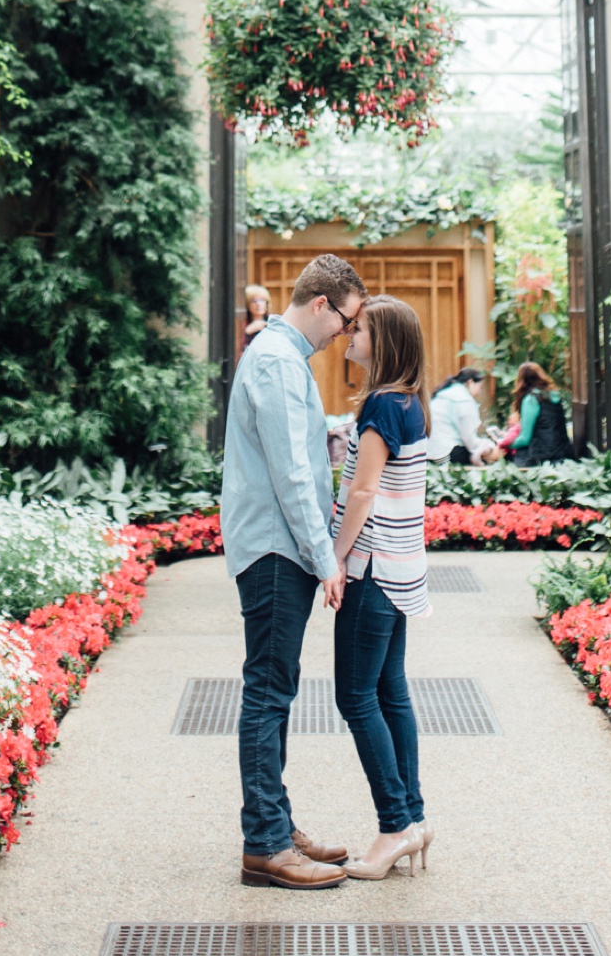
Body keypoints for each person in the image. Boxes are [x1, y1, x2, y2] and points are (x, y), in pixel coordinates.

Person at [221, 251, 368, 891]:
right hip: (278, 552)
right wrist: (323, 556)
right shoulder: (278, 362)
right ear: (320, 305)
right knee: (269, 692)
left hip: (277, 549)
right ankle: (266, 844)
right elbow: (292, 474)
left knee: (275, 688)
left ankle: (275, 824)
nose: (345, 333)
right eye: (345, 320)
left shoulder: (281, 359)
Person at [331, 295, 432, 880]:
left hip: (371, 570)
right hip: (401, 568)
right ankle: (413, 819)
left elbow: (363, 494)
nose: (350, 332)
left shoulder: (379, 407)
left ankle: (394, 825)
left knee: (356, 696)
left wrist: (335, 558)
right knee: (390, 690)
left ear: (384, 340)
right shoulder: (409, 404)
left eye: (360, 327)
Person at [509, 359, 573, 465]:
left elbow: (525, 438)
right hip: (563, 453)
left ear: (521, 381)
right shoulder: (554, 395)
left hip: (542, 457)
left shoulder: (531, 399)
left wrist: (507, 444)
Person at [428, 367, 496, 465]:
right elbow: (468, 438)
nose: (479, 392)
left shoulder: (444, 394)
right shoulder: (464, 399)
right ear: (471, 382)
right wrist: (489, 447)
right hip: (445, 453)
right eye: (480, 387)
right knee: (489, 457)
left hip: (429, 452)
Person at [241, 283, 271, 352]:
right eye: (254, 301)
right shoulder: (242, 323)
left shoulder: (273, 321)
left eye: (262, 300)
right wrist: (247, 331)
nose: (258, 304)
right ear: (247, 304)